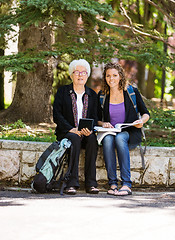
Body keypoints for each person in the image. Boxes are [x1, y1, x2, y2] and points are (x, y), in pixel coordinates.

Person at [97, 62, 150, 196]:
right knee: (108, 140)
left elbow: (146, 113)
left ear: (120, 76)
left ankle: (126, 184)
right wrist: (103, 124)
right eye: (108, 76)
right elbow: (96, 118)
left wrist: (141, 121)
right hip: (110, 132)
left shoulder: (131, 91)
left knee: (120, 138)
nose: (111, 78)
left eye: (115, 75)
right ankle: (113, 183)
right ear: (105, 78)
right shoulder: (103, 95)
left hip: (130, 131)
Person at [53, 59, 99, 195]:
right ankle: (71, 183)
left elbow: (96, 117)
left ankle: (91, 183)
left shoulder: (92, 95)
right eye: (77, 72)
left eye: (83, 72)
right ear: (71, 75)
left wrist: (89, 129)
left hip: (85, 132)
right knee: (74, 138)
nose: (80, 75)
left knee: (92, 140)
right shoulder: (62, 92)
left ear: (87, 75)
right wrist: (71, 129)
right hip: (67, 132)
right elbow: (57, 115)